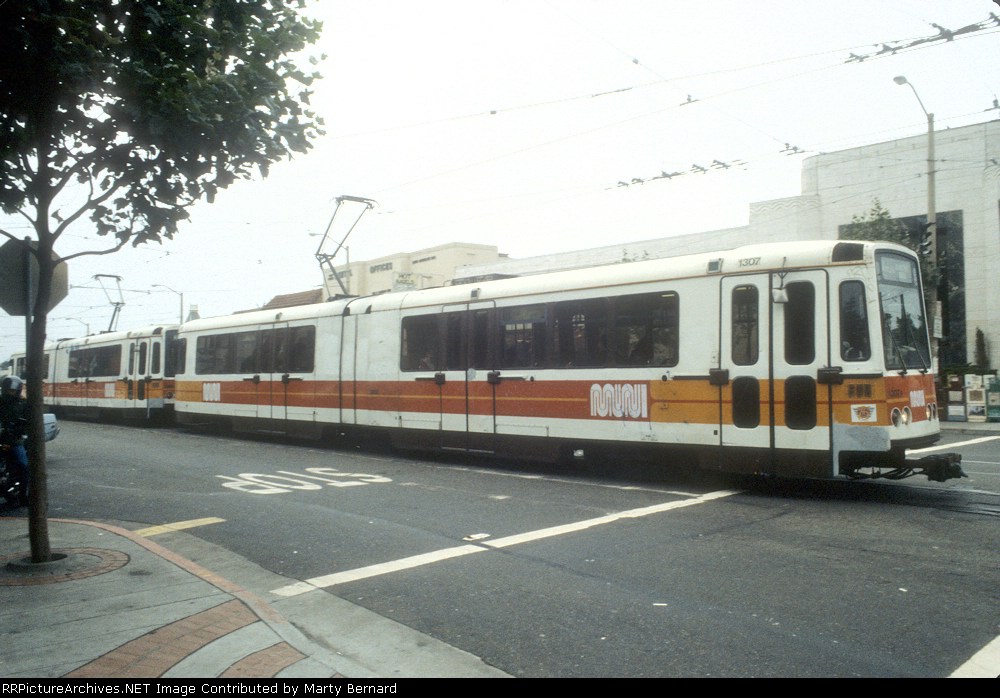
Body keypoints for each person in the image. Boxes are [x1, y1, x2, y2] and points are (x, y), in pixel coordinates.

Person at [0, 375, 30, 507]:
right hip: (1, 437)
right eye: (8, 390)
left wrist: (21, 429)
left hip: (14, 440)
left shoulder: (23, 404)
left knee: (23, 464)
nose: (10, 393)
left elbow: (29, 421)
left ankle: (23, 496)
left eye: (12, 391)